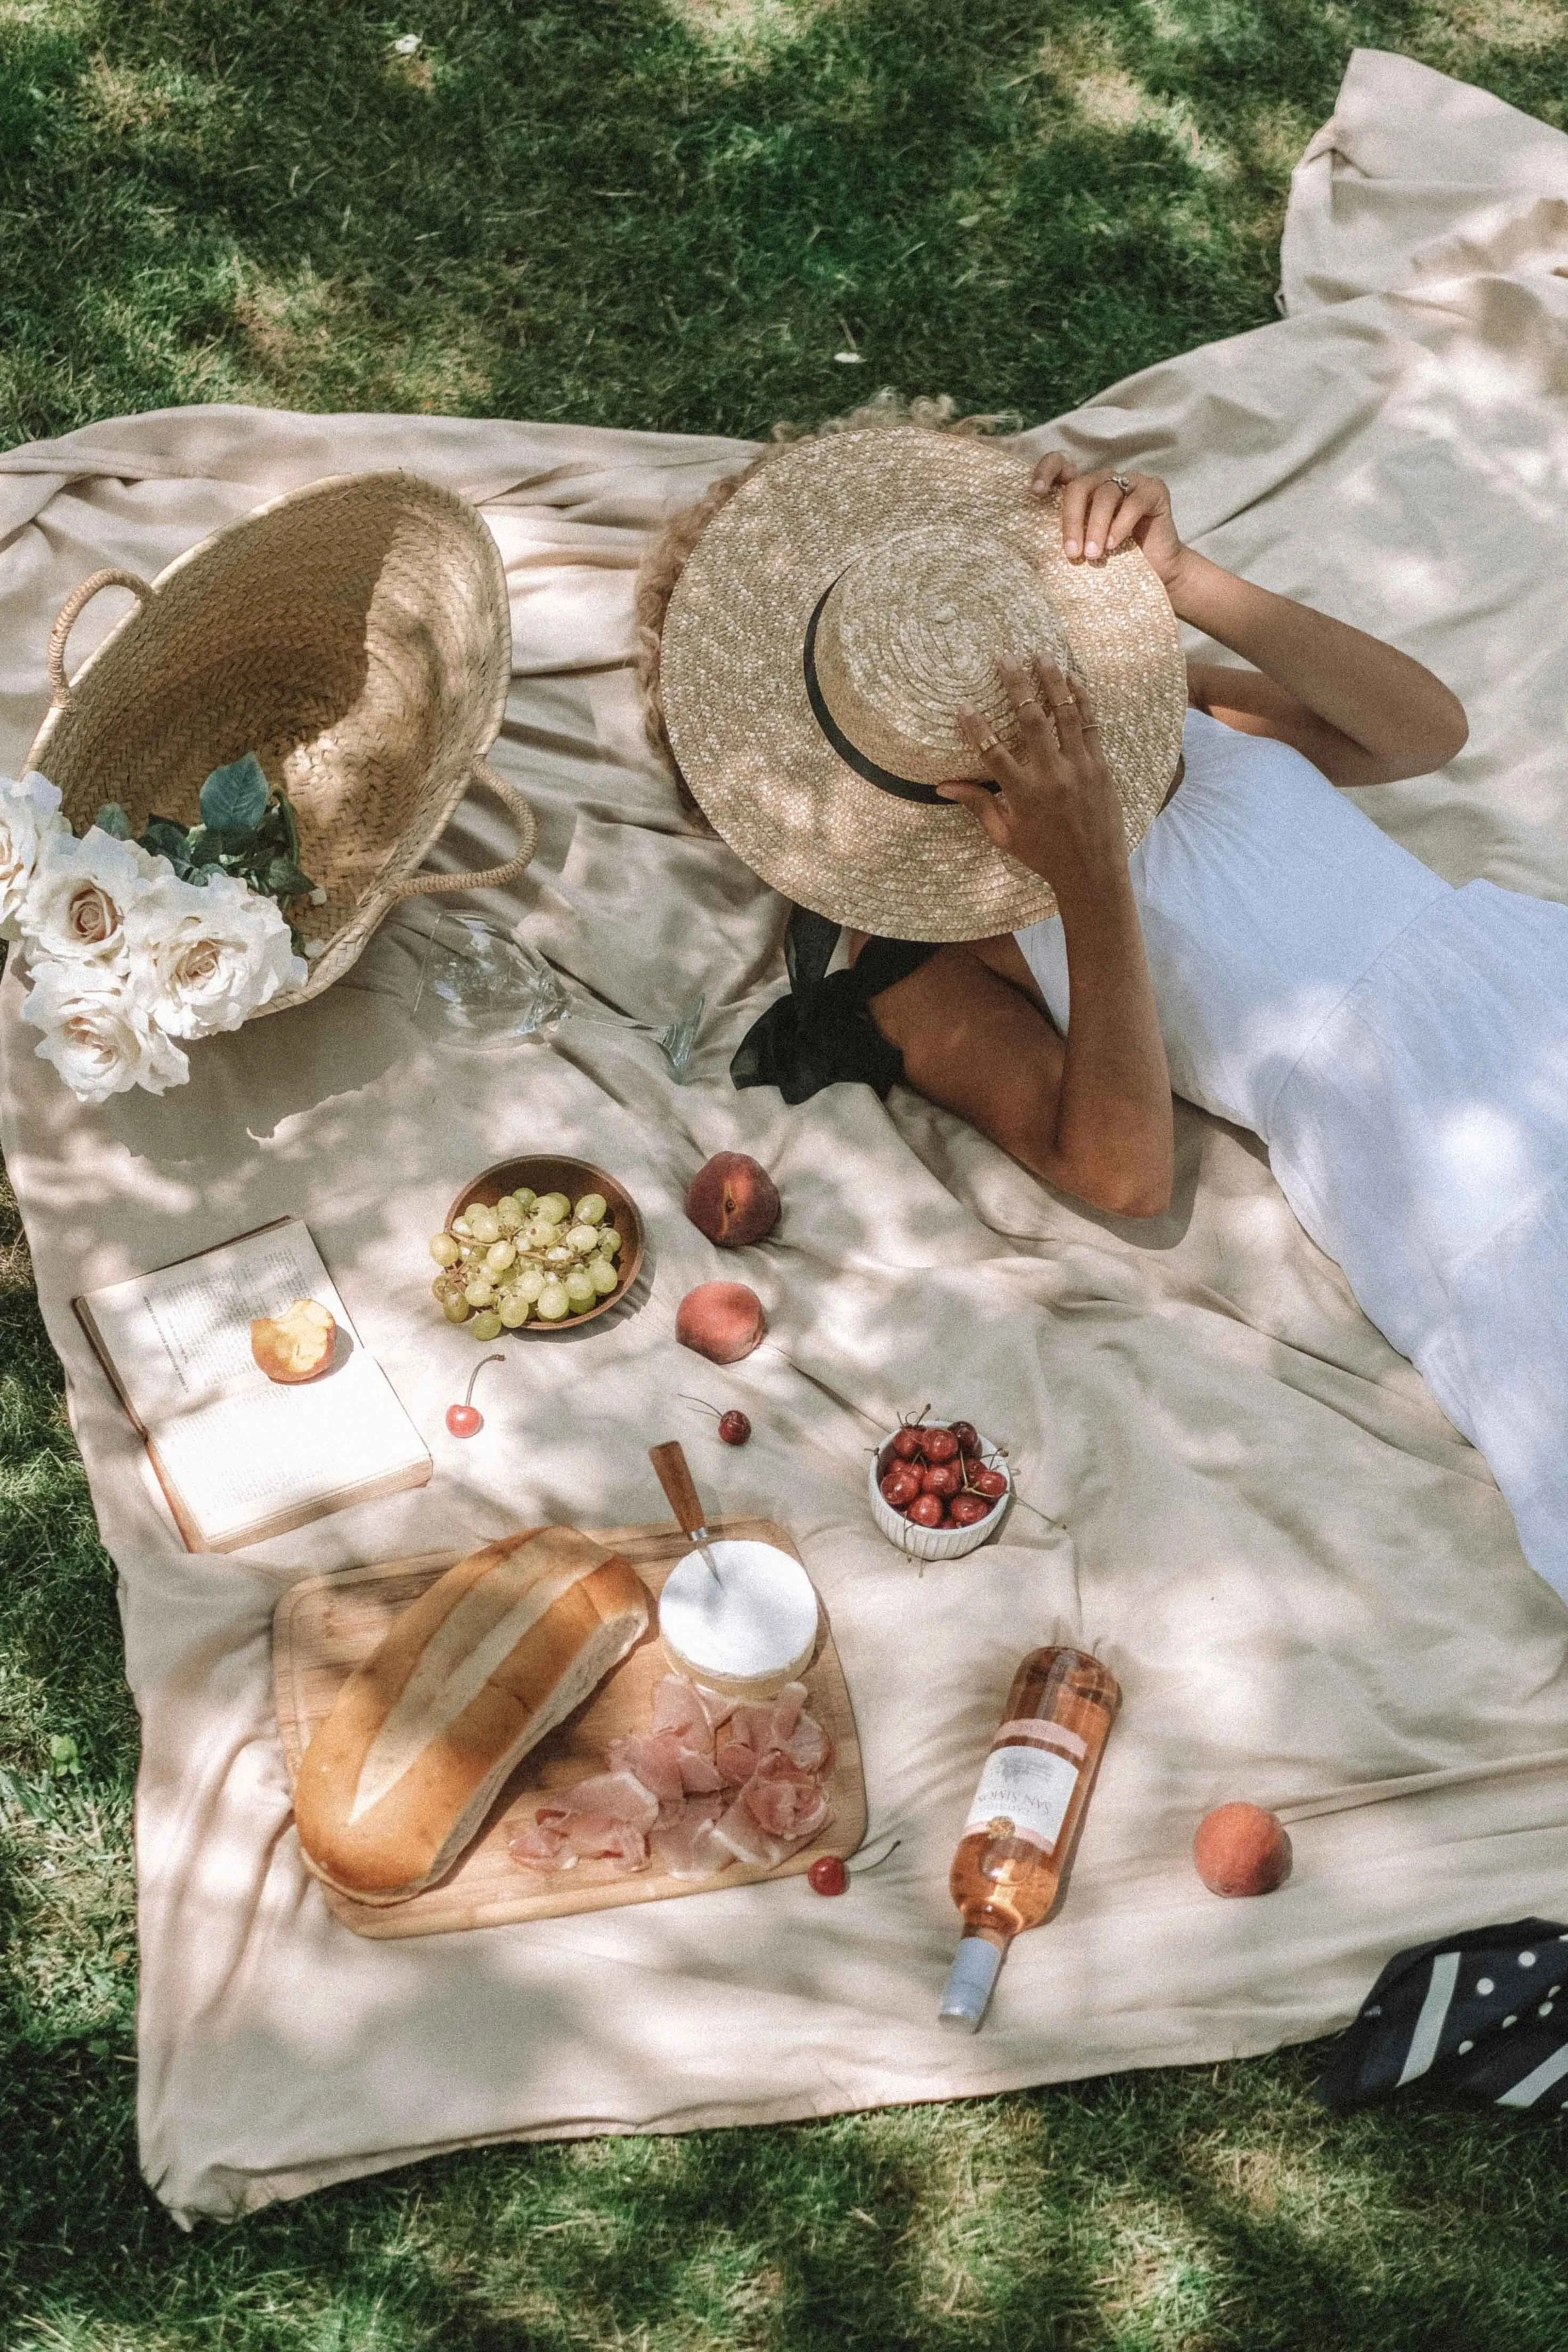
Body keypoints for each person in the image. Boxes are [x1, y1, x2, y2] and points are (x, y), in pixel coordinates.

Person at [639, 416, 1568, 1602]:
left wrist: (1188, 585)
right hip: (1412, 1136)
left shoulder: (1140, 713)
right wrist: (1087, 880)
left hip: (1519, 970)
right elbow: (1124, 1174)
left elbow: (1422, 733)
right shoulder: (912, 950)